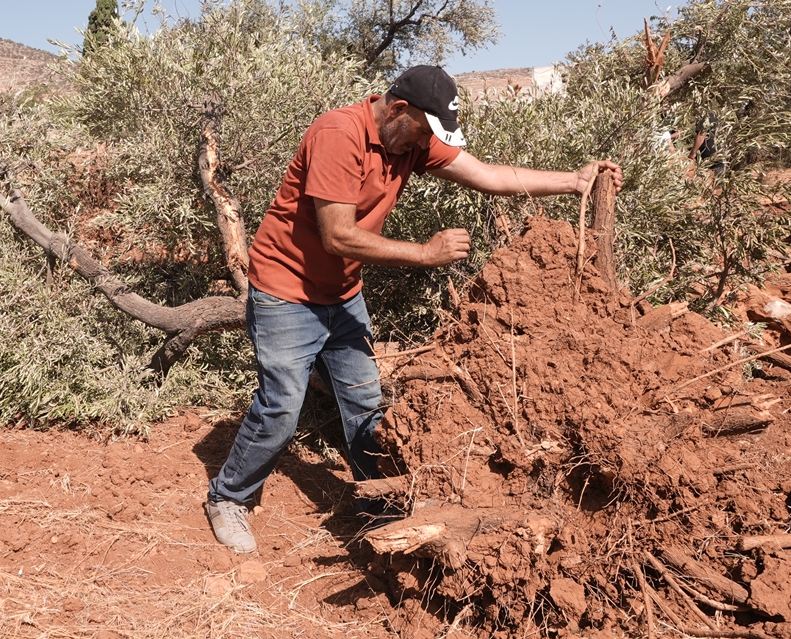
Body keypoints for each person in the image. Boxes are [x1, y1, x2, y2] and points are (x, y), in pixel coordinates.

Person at [205, 65, 623, 553]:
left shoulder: (411, 137)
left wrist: (574, 182)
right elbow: (337, 235)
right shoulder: (339, 134)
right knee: (282, 406)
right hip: (286, 291)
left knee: (366, 404)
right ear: (398, 110)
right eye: (422, 132)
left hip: (341, 295)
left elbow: (485, 175)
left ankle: (376, 502)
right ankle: (228, 496)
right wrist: (425, 253)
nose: (423, 145)